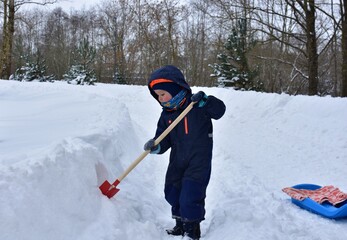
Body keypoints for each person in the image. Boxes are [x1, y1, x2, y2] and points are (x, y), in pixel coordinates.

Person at [144, 65, 226, 240]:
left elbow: (219, 111)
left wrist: (207, 102)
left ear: (175, 89)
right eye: (157, 96)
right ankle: (180, 225)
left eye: (163, 94)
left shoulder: (197, 105)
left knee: (190, 194)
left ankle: (192, 230)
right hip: (178, 161)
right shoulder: (166, 115)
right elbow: (163, 138)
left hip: (198, 161)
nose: (160, 98)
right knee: (172, 191)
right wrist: (156, 146)